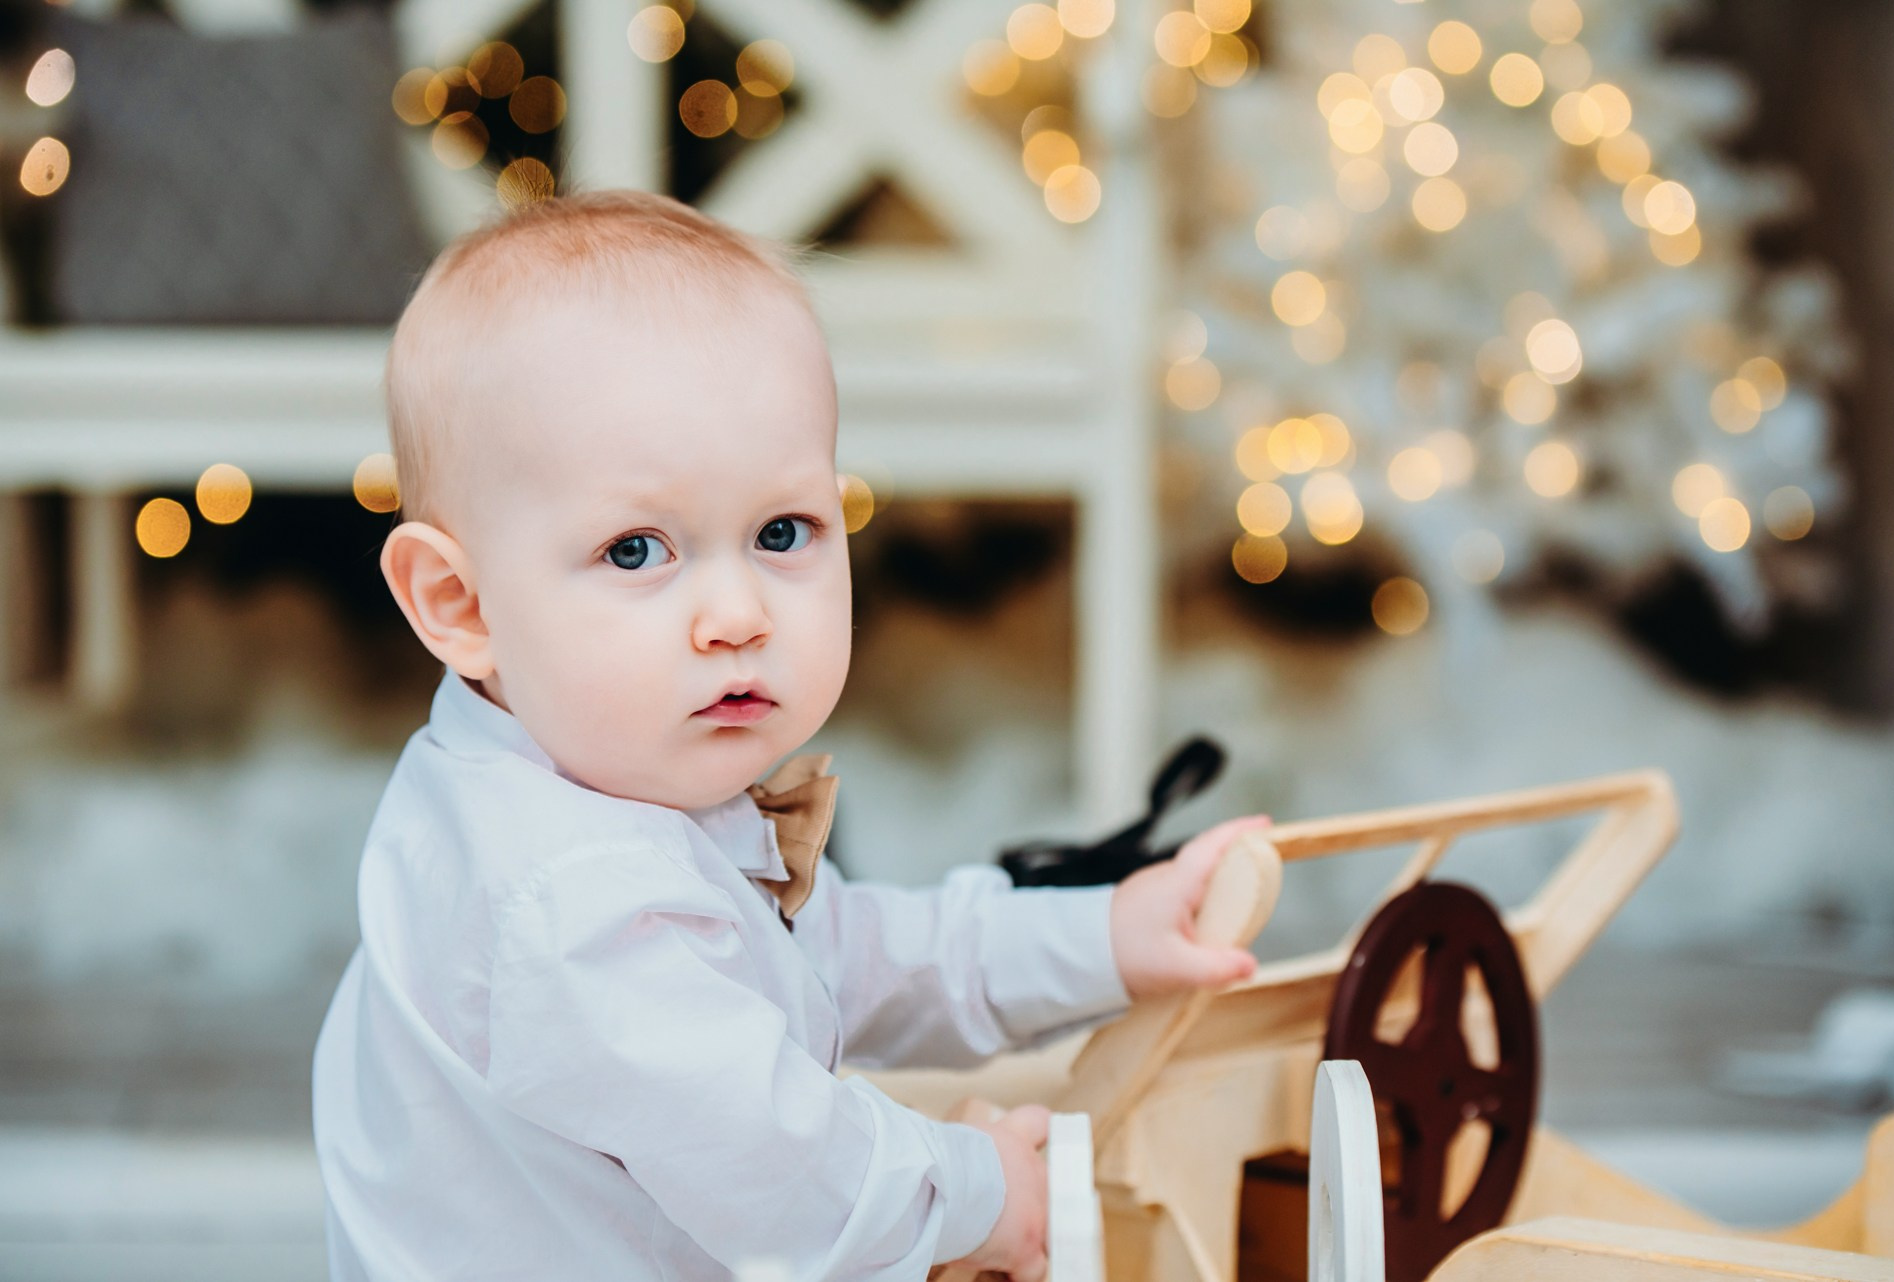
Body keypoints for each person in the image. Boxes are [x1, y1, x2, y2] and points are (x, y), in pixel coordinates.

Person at [310, 189, 1269, 1281]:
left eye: (783, 531)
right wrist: (983, 1191)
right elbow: (796, 1182)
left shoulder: (579, 777)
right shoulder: (570, 901)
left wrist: (1099, 937)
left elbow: (849, 957)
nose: (738, 615)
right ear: (461, 603)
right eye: (636, 550)